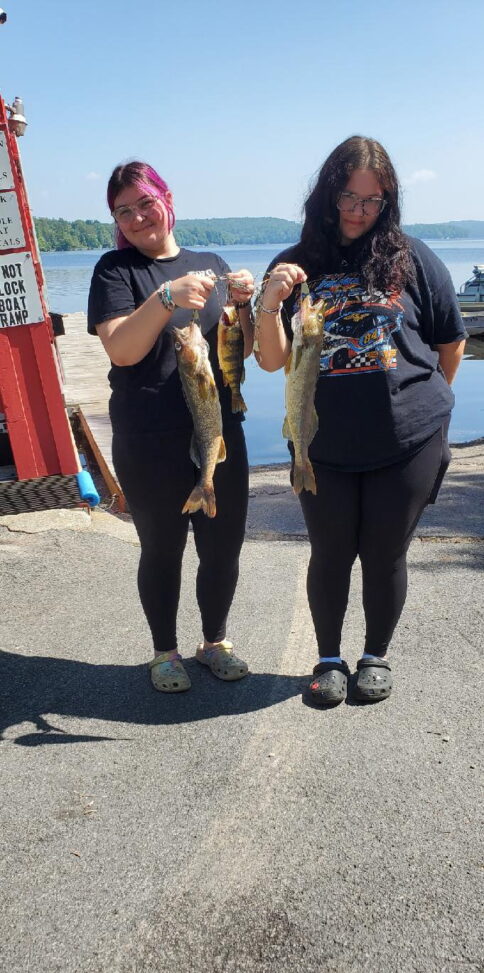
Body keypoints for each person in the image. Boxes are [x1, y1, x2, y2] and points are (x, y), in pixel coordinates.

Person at [255, 136, 466, 706]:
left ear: (388, 202)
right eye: (347, 195)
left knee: (385, 552)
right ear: (326, 193)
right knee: (330, 553)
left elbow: (450, 341)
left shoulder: (413, 258)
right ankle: (328, 658)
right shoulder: (295, 265)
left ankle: (375, 654)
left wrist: (424, 408)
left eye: (372, 201)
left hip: (409, 442)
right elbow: (271, 360)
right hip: (323, 444)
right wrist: (271, 301)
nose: (357, 210)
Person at [88, 161, 255, 693]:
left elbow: (241, 349)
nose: (138, 218)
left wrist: (248, 304)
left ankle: (214, 642)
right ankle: (164, 652)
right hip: (149, 440)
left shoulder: (210, 262)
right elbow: (121, 348)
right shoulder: (115, 271)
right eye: (123, 211)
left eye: (144, 203)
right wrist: (165, 298)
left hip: (219, 435)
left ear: (167, 198)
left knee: (223, 547)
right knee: (161, 549)